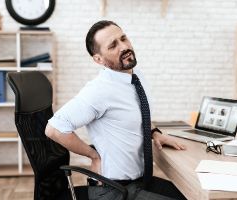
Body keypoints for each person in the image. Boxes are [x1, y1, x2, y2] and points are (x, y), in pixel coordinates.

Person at [45, 20, 187, 200]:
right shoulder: (99, 90)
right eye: (113, 45)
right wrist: (93, 155)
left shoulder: (136, 77)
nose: (124, 46)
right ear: (99, 59)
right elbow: (54, 128)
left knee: (190, 194)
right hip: (113, 190)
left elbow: (136, 115)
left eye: (123, 38)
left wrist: (155, 133)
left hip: (140, 181)